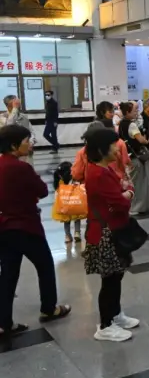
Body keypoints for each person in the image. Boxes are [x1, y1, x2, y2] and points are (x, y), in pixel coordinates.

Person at [0, 125, 71, 338]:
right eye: (26, 140)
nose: (30, 144)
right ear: (14, 145)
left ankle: (4, 323)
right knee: (45, 265)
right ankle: (49, 308)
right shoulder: (21, 168)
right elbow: (42, 190)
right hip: (26, 226)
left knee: (8, 274)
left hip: (4, 227)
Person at [82, 127, 139, 342]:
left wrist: (123, 190)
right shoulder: (98, 173)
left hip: (111, 228)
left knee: (116, 276)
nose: (118, 149)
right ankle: (105, 325)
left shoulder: (103, 170)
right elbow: (119, 202)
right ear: (101, 150)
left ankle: (115, 314)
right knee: (110, 280)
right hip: (105, 233)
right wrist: (129, 192)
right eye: (114, 145)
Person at [118, 102, 149, 215]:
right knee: (139, 183)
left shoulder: (121, 124)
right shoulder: (132, 125)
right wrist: (148, 141)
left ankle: (138, 206)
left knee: (133, 181)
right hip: (136, 157)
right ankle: (138, 207)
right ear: (127, 112)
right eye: (134, 110)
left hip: (127, 156)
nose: (137, 112)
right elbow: (141, 140)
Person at [53, 161, 83, 243]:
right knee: (77, 217)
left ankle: (67, 236)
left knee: (66, 220)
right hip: (74, 202)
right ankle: (77, 233)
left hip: (64, 203)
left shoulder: (59, 180)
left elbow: (56, 193)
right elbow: (79, 188)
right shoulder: (73, 179)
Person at [0, 95, 36, 165]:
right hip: (12, 153)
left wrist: (30, 143)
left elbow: (31, 132)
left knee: (27, 169)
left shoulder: (23, 116)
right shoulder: (2, 117)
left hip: (26, 151)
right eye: (14, 102)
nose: (17, 104)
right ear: (8, 105)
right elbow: (8, 127)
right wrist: (14, 109)